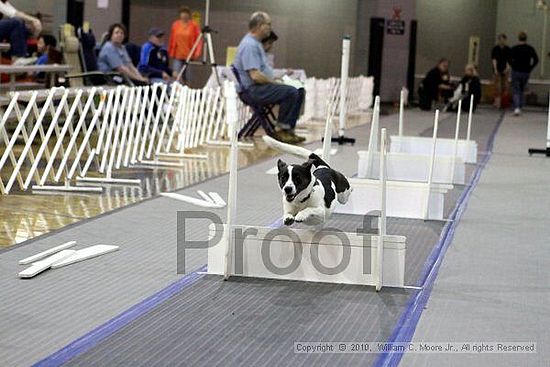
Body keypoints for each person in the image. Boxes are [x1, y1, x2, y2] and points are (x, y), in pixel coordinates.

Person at [233, 12, 305, 144]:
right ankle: (281, 130)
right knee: (290, 92)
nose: (270, 28)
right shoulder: (250, 45)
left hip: (259, 87)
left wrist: (275, 82)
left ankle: (288, 130)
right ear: (260, 26)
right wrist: (275, 82)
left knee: (299, 90)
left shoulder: (256, 44)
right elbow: (255, 76)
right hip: (252, 90)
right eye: (268, 25)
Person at [168, 6, 201, 82]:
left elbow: (198, 40)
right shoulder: (175, 25)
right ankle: (177, 92)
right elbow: (172, 38)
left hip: (189, 55)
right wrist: (170, 51)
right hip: (177, 55)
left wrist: (196, 53)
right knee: (176, 76)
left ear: (189, 15)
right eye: (182, 13)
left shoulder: (194, 25)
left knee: (188, 77)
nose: (184, 15)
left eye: (186, 13)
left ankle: (187, 92)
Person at [510, 31, 538, 116]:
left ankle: (517, 107)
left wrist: (513, 65)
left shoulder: (514, 48)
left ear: (518, 38)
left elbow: (508, 58)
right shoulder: (530, 48)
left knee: (516, 90)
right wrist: (530, 68)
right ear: (526, 39)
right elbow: (536, 60)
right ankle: (521, 106)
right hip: (526, 72)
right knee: (522, 89)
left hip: (516, 71)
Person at [491, 33, 511, 109]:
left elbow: (509, 60)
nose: (502, 41)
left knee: (505, 85)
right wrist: (495, 69)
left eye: (503, 40)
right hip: (497, 69)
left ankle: (504, 101)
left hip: (505, 69)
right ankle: (497, 102)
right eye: (500, 40)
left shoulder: (508, 49)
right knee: (497, 86)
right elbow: (494, 59)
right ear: (498, 40)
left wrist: (507, 68)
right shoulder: (495, 49)